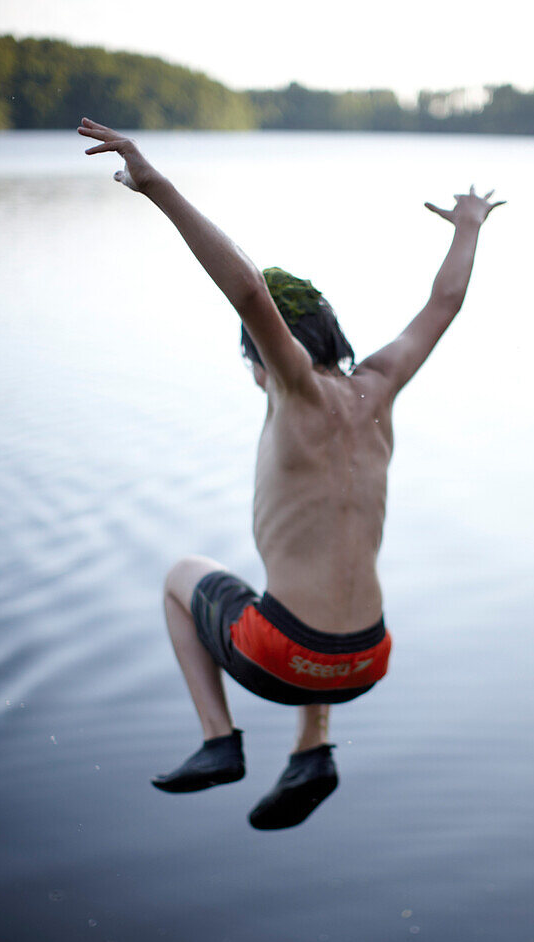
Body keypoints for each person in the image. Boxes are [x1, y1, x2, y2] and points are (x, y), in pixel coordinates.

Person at [78, 117, 505, 830]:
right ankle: (313, 751)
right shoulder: (381, 385)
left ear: (266, 356)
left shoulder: (294, 389)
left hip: (283, 656)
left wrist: (157, 187)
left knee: (181, 576)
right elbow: (444, 304)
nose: (254, 371)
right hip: (369, 656)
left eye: (254, 358)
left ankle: (218, 741)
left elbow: (249, 290)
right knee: (312, 593)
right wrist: (469, 225)